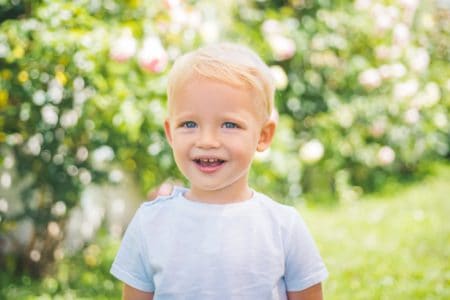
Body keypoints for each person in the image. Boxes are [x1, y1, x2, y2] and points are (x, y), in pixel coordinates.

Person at [110, 43, 328, 300]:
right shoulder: (150, 224)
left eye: (229, 124)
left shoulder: (283, 228)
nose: (207, 141)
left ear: (264, 135)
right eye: (189, 124)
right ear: (170, 133)